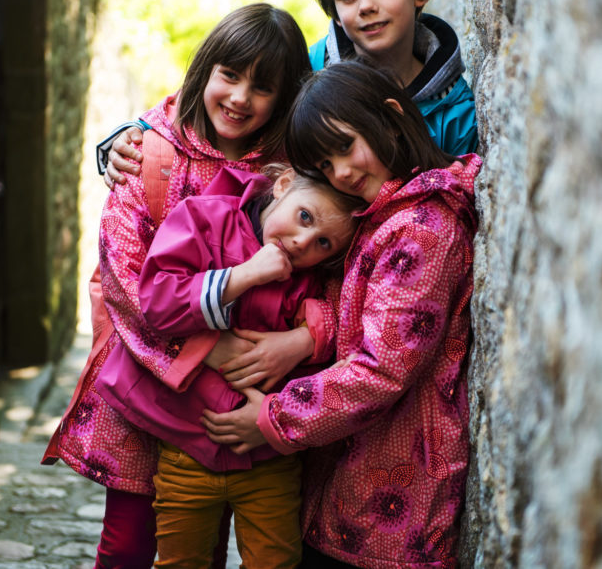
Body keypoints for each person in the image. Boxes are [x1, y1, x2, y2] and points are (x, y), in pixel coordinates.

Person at [41, 3, 314, 569]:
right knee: (128, 542)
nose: (239, 98)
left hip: (240, 395)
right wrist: (210, 349)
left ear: (285, 98)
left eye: (262, 87)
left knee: (202, 545)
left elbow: (323, 270)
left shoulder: (292, 174)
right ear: (205, 71)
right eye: (230, 76)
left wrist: (301, 341)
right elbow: (124, 277)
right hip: (153, 382)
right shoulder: (150, 154)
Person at [202, 61, 481, 568]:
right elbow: (354, 308)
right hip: (351, 484)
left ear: (392, 118)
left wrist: (270, 419)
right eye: (327, 166)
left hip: (390, 501)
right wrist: (307, 339)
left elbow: (381, 368)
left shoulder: (423, 227)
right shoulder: (383, 214)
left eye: (347, 147)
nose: (343, 174)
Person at [96, 164, 362, 568]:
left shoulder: (310, 277)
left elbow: (345, 322)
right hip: (187, 445)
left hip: (269, 457)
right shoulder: (205, 220)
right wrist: (241, 276)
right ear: (284, 185)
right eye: (304, 216)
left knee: (275, 562)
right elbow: (157, 302)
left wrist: (304, 340)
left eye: (323, 242)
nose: (302, 241)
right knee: (182, 560)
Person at [101, 0, 478, 188]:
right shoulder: (309, 68)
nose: (366, 5)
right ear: (335, 11)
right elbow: (225, 98)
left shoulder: (454, 108)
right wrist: (133, 133)